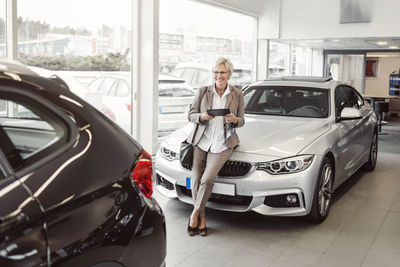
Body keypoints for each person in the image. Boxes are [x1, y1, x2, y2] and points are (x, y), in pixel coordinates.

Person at [186, 57, 245, 236]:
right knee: (196, 179)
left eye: (222, 72)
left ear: (229, 74)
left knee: (207, 179)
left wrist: (235, 120)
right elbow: (190, 115)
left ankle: (195, 213)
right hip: (202, 142)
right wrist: (201, 117)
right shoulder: (203, 91)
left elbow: (242, 120)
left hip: (222, 143)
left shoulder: (237, 94)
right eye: (216, 72)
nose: (218, 76)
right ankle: (202, 219)